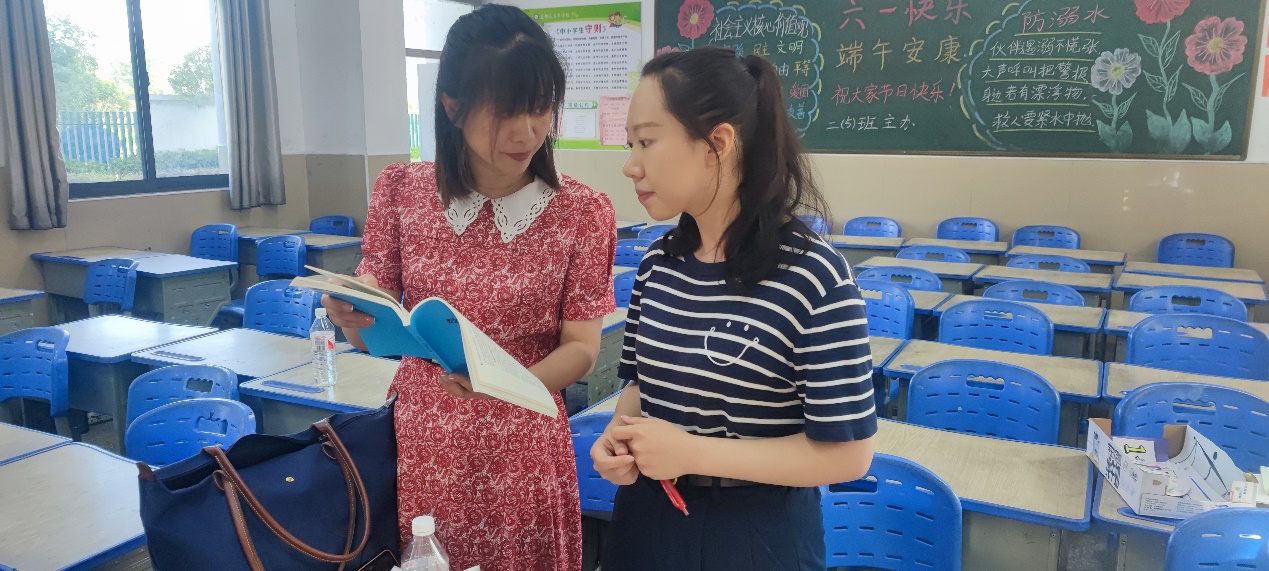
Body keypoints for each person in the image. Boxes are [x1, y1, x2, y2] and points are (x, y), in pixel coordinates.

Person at [322, 5, 616, 570]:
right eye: (506, 111)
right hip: (425, 446)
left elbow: (582, 348)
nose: (527, 132)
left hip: (522, 445)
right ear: (452, 106)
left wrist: (504, 386)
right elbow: (371, 335)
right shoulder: (402, 192)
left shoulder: (581, 212)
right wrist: (349, 314)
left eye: (540, 108)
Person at [592, 46, 877, 571]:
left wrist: (693, 453)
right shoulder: (658, 263)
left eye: (647, 141)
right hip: (646, 516)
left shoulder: (815, 276)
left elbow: (849, 454)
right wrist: (619, 435)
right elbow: (638, 385)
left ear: (717, 144)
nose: (631, 165)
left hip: (755, 532)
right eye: (631, 144)